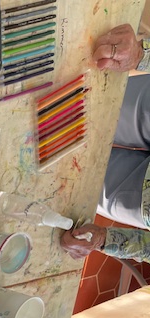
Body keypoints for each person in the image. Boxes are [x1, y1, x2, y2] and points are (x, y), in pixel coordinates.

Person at [61, 23, 150, 263]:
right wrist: (141, 53)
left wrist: (104, 239)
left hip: (144, 200)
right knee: (77, 106)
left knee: (66, 177)